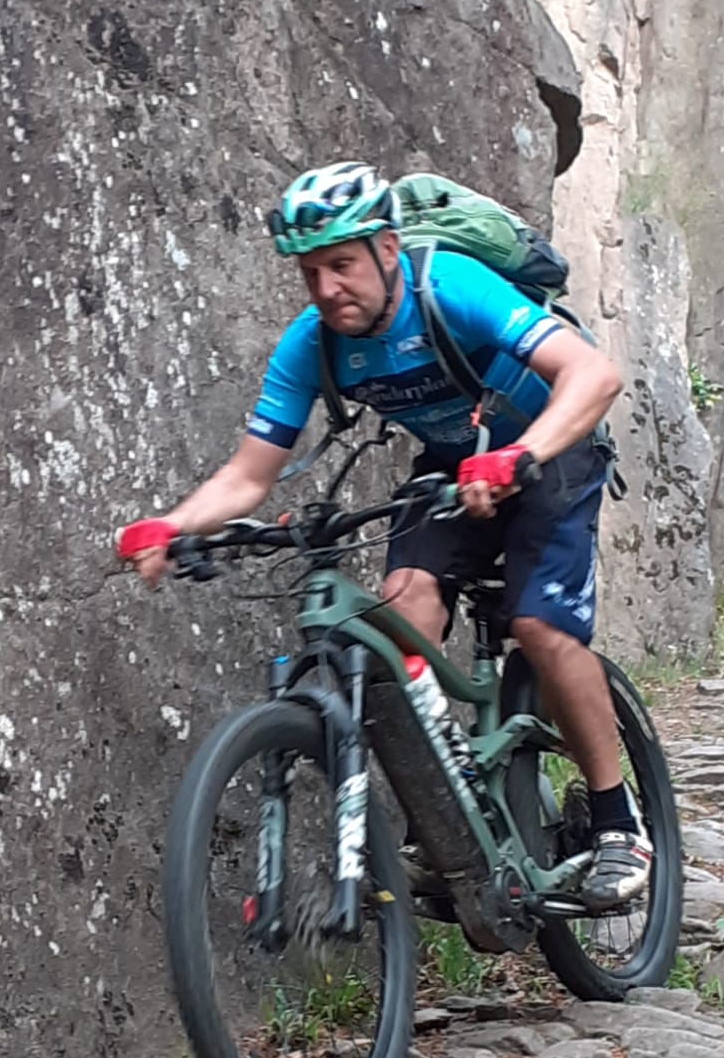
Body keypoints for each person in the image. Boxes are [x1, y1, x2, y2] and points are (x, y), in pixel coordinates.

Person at [115, 161, 650, 912]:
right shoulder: (313, 343)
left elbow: (592, 375)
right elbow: (248, 474)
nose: (327, 288)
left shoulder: (449, 287)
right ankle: (448, 824)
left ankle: (618, 822)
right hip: (453, 468)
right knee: (403, 614)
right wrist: (172, 525)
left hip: (551, 448)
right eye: (311, 272)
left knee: (539, 626)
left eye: (342, 264)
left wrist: (521, 454)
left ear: (388, 249)